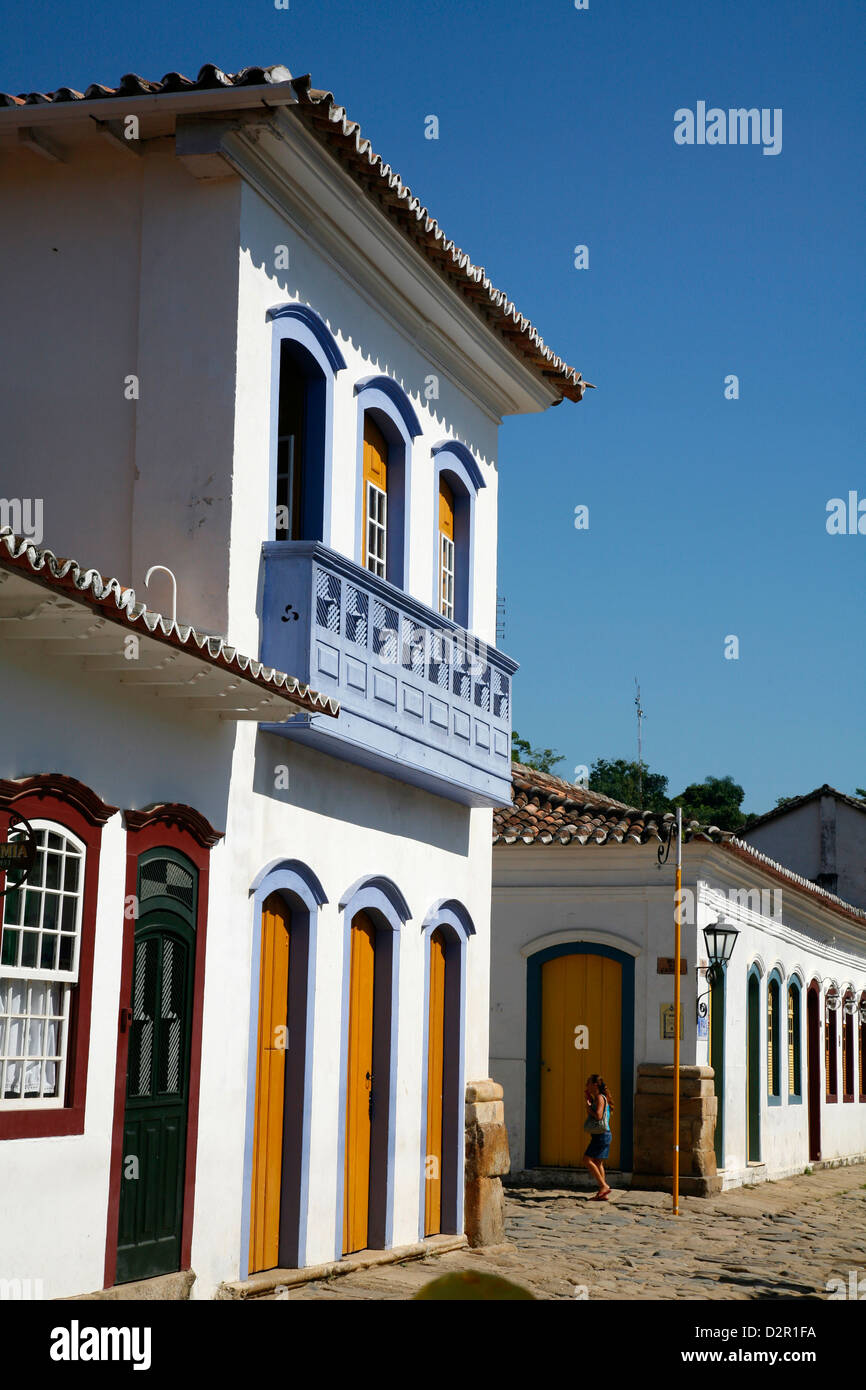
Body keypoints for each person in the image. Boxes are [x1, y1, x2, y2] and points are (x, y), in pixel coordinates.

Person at [583, 1074, 613, 1200]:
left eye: (588, 1083)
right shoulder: (599, 1098)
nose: (586, 1086)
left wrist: (588, 1108)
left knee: (587, 1159)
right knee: (598, 1162)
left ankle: (604, 1186)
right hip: (603, 1135)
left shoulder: (600, 1098)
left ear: (595, 1085)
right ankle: (602, 1192)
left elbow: (599, 1116)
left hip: (601, 1135)